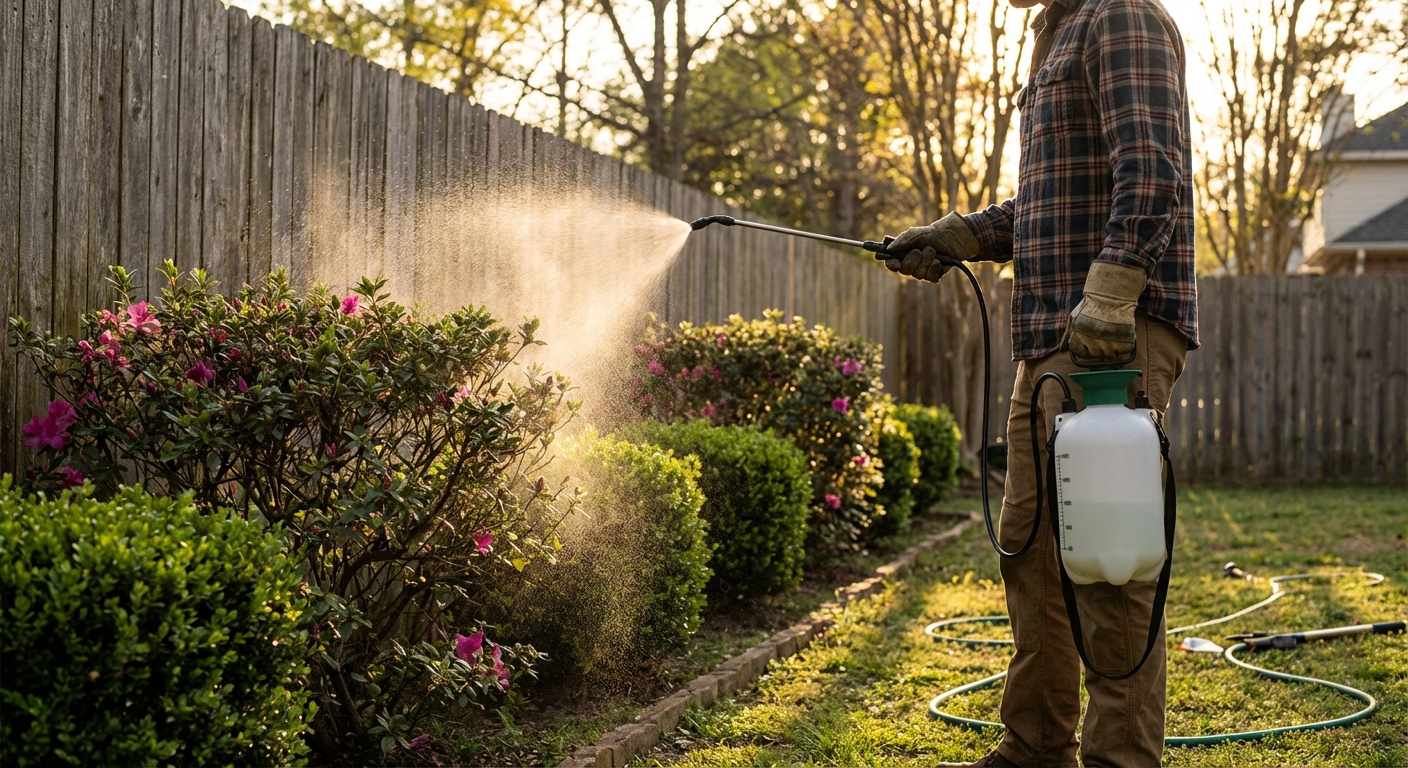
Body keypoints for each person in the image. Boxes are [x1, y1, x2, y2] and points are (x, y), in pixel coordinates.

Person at [883, 0, 1197, 765]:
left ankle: (1121, 757)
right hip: (1048, 336)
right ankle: (1035, 746)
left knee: (1107, 562)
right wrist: (963, 235)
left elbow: (1153, 169)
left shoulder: (1119, 14)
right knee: (1029, 552)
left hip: (1108, 336)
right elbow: (1057, 205)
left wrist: (1117, 286)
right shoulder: (1059, 30)